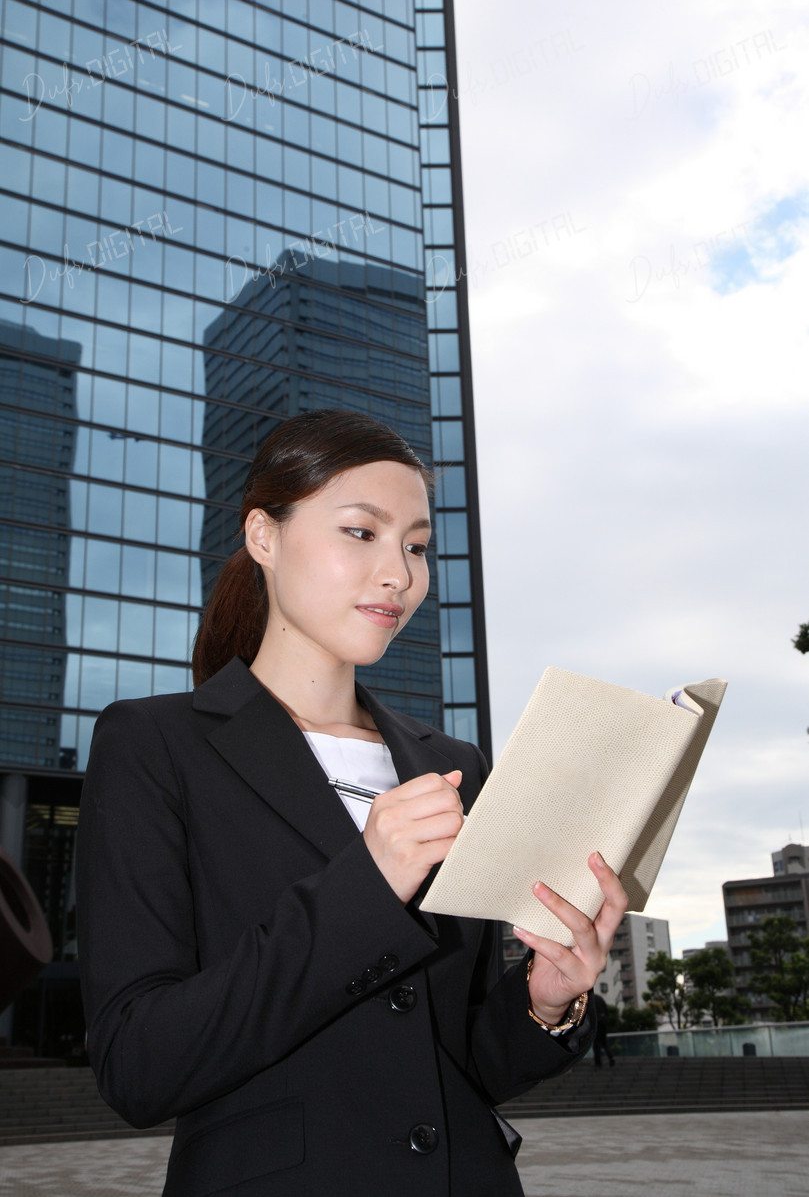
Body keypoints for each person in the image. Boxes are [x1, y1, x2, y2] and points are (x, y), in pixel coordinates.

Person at [76, 409, 628, 1197]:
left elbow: (458, 1062)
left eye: (414, 546)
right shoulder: (155, 745)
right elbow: (138, 1064)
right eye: (361, 533)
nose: (399, 575)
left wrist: (546, 1002)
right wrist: (365, 887)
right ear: (264, 536)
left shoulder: (453, 765)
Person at [593, 993, 616, 1067]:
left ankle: (598, 1062)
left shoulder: (590, 999)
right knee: (604, 1042)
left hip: (596, 1023)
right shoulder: (599, 998)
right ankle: (611, 1057)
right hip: (603, 1022)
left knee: (596, 1043)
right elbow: (606, 1010)